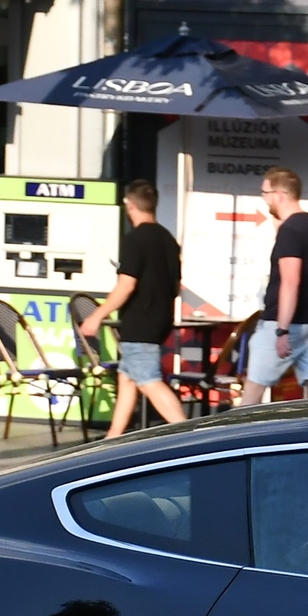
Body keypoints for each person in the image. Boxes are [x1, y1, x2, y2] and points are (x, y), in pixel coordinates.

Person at [76, 181, 189, 436]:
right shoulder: (168, 240)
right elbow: (176, 286)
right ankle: (111, 441)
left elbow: (126, 285)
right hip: (161, 320)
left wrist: (96, 316)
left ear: (130, 205)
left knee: (149, 381)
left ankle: (189, 435)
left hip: (140, 323)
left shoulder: (135, 240)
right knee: (127, 378)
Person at [239, 166, 308, 405]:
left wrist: (281, 331)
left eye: (265, 193)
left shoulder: (291, 231)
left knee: (252, 391)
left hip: (286, 325)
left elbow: (290, 282)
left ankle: (228, 440)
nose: (264, 199)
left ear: (279, 195)